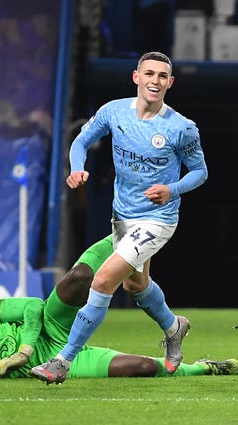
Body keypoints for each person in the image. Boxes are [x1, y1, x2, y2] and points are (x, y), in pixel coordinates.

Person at [30, 51, 208, 385]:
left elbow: (200, 172)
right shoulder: (113, 111)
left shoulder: (181, 128)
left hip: (158, 219)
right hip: (122, 216)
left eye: (162, 76)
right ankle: (174, 327)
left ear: (170, 83)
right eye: (149, 74)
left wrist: (172, 188)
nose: (155, 81)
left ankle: (61, 362)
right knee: (135, 284)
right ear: (136, 77)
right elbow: (82, 140)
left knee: (103, 280)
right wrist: (79, 167)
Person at [0, 236, 238, 383]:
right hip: (53, 359)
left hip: (48, 326)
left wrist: (24, 348)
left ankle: (130, 231)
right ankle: (206, 368)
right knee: (138, 367)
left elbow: (32, 307)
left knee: (79, 276)